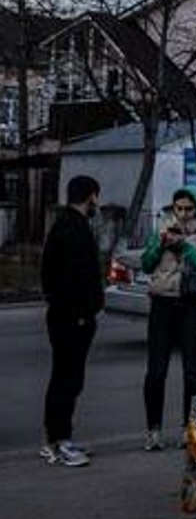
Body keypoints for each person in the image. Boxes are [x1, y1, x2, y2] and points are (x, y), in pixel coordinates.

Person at [140, 186, 196, 451]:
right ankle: (153, 430)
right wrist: (160, 245)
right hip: (163, 303)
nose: (182, 214)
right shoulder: (162, 228)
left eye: (188, 208)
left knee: (193, 372)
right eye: (178, 208)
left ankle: (189, 428)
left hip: (192, 304)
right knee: (156, 371)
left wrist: (184, 247)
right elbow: (147, 265)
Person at [40, 175, 104, 468]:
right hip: (71, 318)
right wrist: (79, 313)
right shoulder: (72, 229)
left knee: (66, 379)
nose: (98, 204)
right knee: (67, 380)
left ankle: (57, 439)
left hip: (68, 315)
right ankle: (59, 442)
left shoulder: (67, 225)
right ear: (90, 196)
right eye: (96, 198)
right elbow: (70, 277)